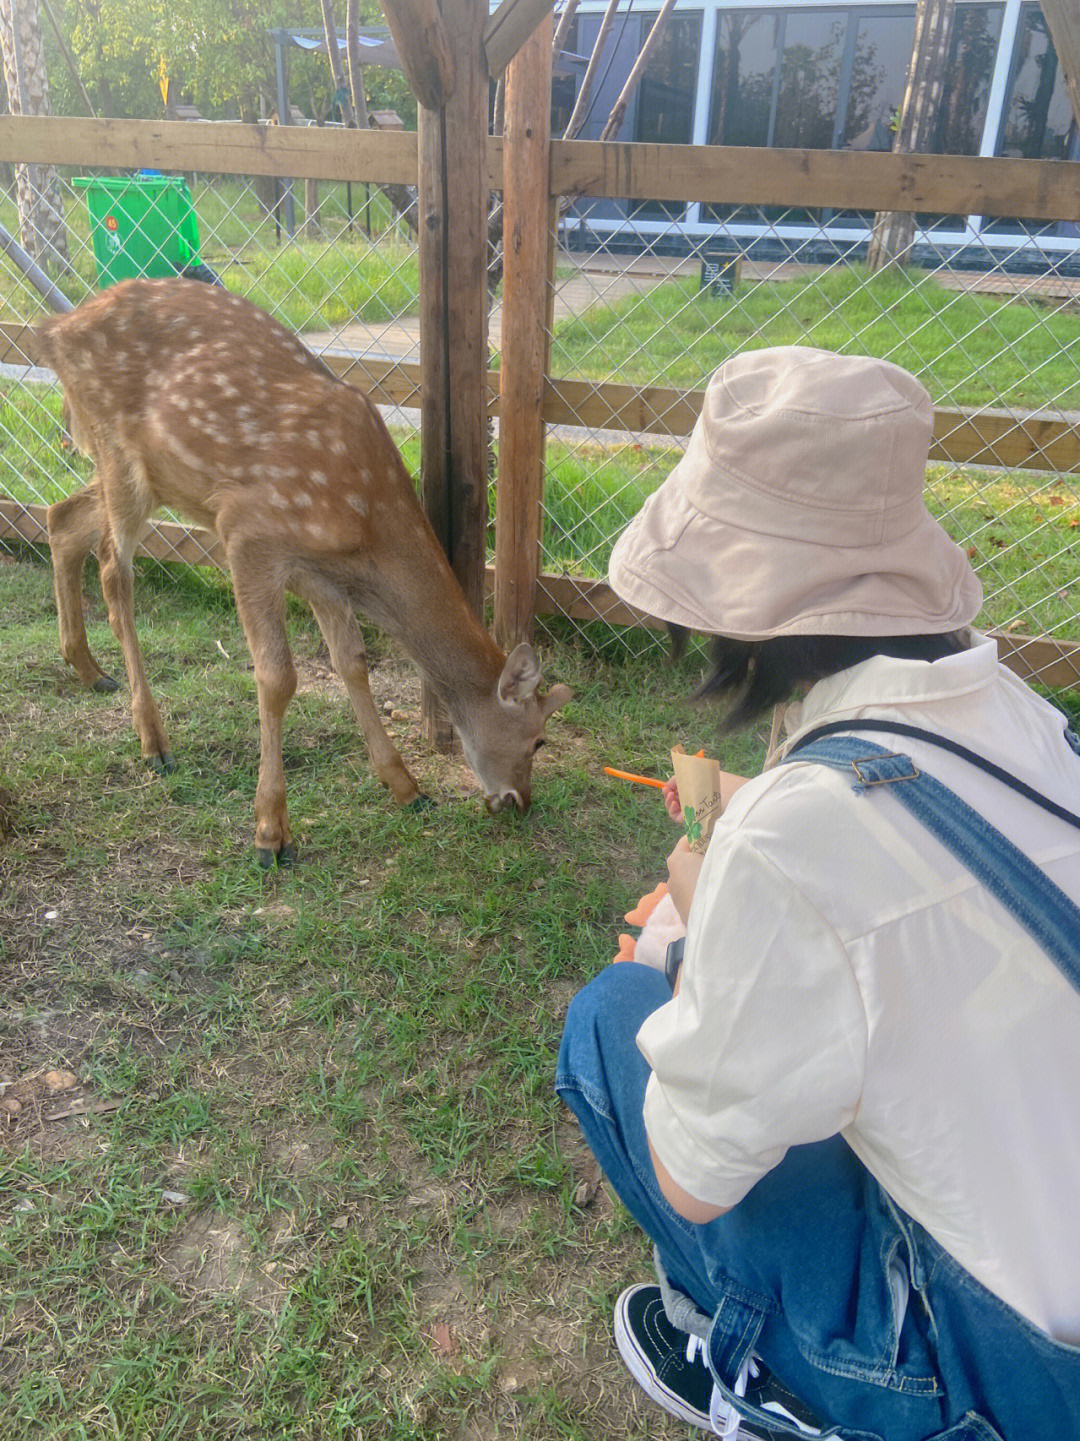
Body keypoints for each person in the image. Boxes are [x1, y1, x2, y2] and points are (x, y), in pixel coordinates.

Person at [556, 346, 1080, 1441]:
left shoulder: (791, 843)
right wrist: (752, 847)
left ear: (741, 609)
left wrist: (697, 916)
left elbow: (690, 1176)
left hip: (1009, 1381)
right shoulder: (1021, 718)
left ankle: (772, 1382)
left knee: (612, 1024)